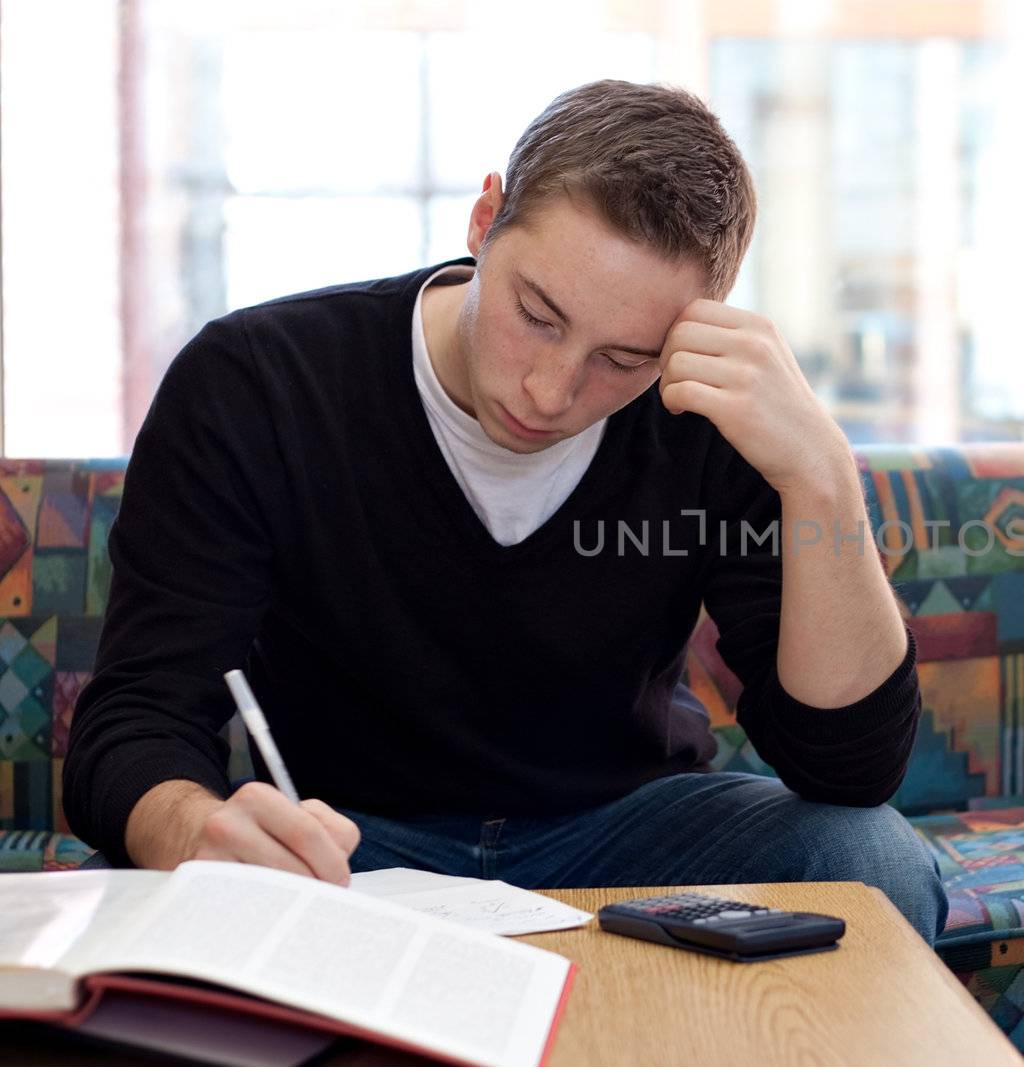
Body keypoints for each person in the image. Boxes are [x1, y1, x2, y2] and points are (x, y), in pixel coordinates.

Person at [63, 80, 947, 945]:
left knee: (873, 859)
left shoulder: (710, 418)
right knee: (117, 904)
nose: (551, 390)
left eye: (623, 358)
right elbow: (134, 722)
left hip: (630, 828)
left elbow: (850, 769)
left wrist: (824, 476)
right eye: (536, 314)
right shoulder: (256, 384)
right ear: (485, 220)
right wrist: (195, 833)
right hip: (354, 840)